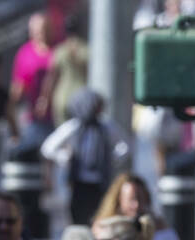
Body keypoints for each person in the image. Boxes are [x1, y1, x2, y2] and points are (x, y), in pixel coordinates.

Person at [40, 88, 129, 225]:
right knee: (78, 218)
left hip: (100, 182)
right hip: (78, 182)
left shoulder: (106, 126)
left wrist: (112, 160)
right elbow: (48, 148)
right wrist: (66, 157)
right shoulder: (74, 126)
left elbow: (125, 146)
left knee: (100, 216)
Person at [95, 173, 184, 240]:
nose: (136, 205)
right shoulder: (105, 231)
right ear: (119, 201)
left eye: (141, 199)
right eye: (131, 199)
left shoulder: (161, 229)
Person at [10, 12, 55, 145]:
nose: (40, 33)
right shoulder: (25, 53)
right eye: (36, 30)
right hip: (32, 116)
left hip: (55, 115)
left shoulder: (57, 51)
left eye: (43, 29)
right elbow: (18, 85)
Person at [40, 14, 90, 127]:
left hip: (62, 97)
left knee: (63, 133)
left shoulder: (60, 51)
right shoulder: (85, 50)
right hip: (81, 97)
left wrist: (44, 99)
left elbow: (51, 77)